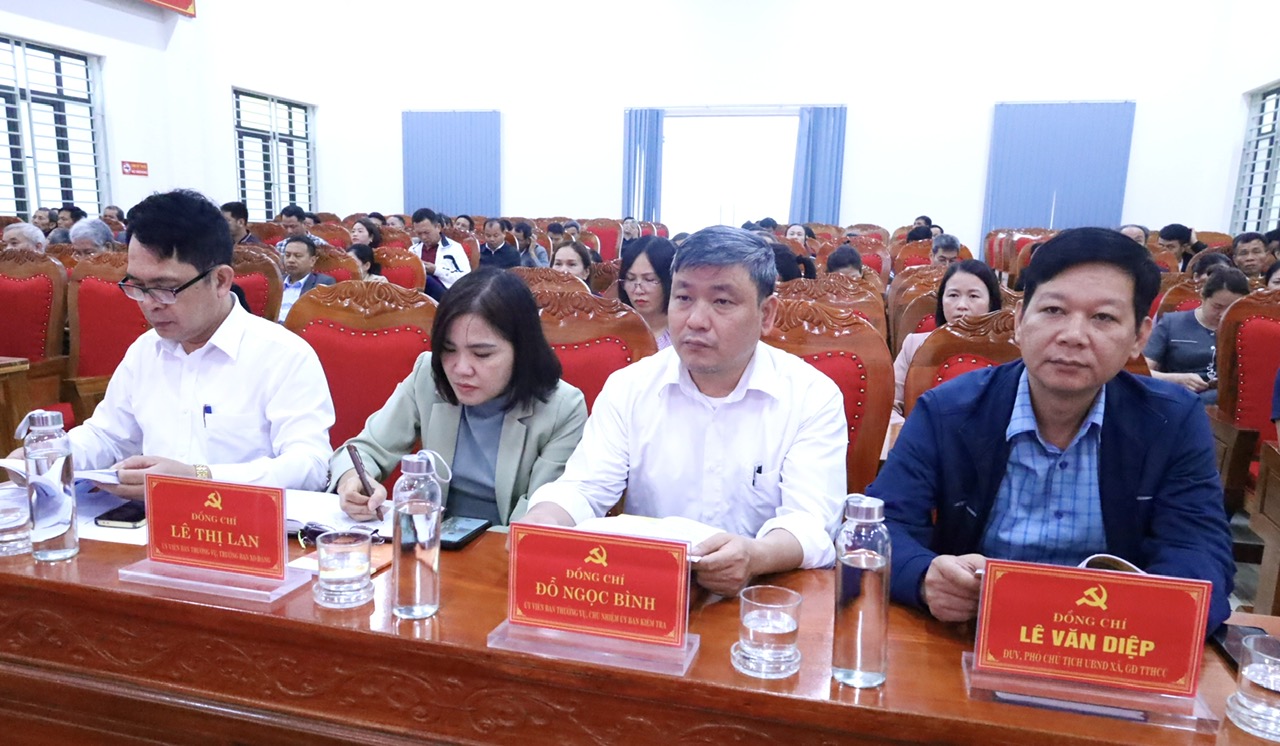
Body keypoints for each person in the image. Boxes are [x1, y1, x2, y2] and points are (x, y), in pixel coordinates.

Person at [869, 227, 1234, 633]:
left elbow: (1200, 553)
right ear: (1020, 321)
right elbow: (881, 526)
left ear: (1139, 338)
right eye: (1054, 310)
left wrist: (1141, 614)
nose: (1073, 336)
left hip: (1110, 644)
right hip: (971, 637)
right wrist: (925, 577)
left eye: (1103, 317)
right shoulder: (947, 411)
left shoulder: (1172, 421)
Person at [521, 226, 848, 596]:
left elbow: (810, 523)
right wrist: (544, 520)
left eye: (722, 302)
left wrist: (756, 555)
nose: (695, 320)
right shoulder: (629, 386)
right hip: (646, 593)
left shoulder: (811, 396)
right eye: (683, 298)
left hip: (762, 598)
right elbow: (584, 487)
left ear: (767, 313)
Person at [5, 189, 334, 496]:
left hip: (241, 526)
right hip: (143, 523)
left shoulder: (282, 354)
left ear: (220, 280)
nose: (149, 304)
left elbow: (310, 466)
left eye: (165, 288)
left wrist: (199, 477)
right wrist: (55, 455)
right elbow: (107, 435)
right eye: (137, 286)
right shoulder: (145, 350)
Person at [333, 269, 587, 525]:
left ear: (522, 350)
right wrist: (353, 481)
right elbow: (366, 449)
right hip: (431, 538)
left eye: (482, 354)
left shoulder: (562, 408)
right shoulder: (428, 375)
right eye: (448, 349)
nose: (461, 369)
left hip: (502, 544)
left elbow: (540, 514)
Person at [893, 259, 1002, 410]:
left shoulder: (1012, 350)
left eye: (973, 296)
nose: (961, 305)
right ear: (941, 301)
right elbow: (889, 407)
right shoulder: (914, 345)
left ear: (991, 303)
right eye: (953, 295)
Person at [1144, 266, 1248, 404]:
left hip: (1230, 401)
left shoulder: (1247, 329)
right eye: (1217, 307)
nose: (1223, 314)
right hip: (1180, 396)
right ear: (1203, 297)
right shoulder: (1171, 323)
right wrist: (1176, 379)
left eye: (1231, 308)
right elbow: (1142, 371)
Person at [618, 236, 676, 350]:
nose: (638, 290)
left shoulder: (683, 336)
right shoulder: (614, 332)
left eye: (649, 279)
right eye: (630, 279)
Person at [412, 207, 470, 300]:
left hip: (448, 295)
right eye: (419, 234)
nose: (423, 237)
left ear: (438, 227)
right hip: (418, 297)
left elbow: (466, 278)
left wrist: (436, 270)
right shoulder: (413, 250)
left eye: (427, 232)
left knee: (427, 279)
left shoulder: (454, 248)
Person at [278, 235, 336, 322]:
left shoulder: (322, 284)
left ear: (312, 261)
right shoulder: (276, 281)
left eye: (297, 256)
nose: (291, 260)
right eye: (287, 255)